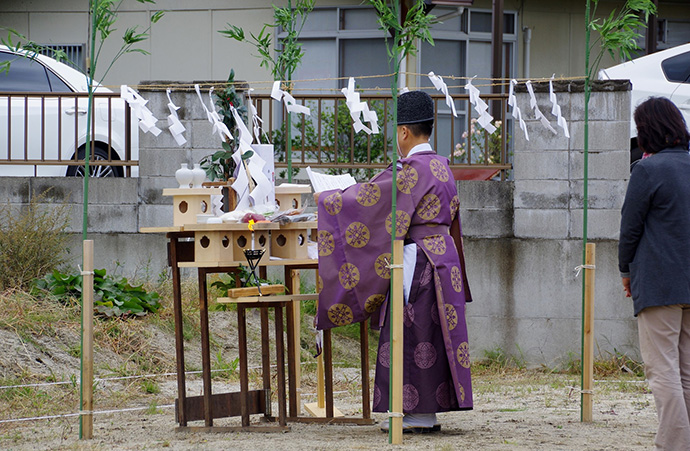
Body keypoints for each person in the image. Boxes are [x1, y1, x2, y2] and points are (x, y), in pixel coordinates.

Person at [315, 90, 473, 433]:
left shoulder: (411, 169)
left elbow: (368, 199)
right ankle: (426, 413)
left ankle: (413, 414)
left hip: (419, 260)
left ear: (403, 132)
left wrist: (326, 199)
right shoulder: (441, 165)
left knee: (413, 331)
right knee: (432, 333)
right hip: (444, 259)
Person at [619, 96, 690, 451]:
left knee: (662, 370)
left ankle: (673, 445)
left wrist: (624, 269)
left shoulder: (646, 171)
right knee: (687, 373)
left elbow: (629, 227)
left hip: (659, 283)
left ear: (648, 131)